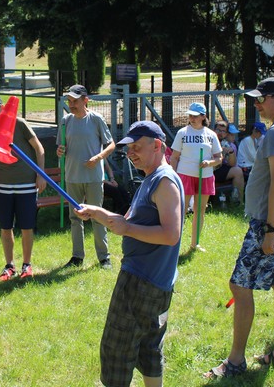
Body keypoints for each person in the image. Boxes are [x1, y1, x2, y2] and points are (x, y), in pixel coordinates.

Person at [205, 77, 274, 378]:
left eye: (261, 99)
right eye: (255, 99)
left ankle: (236, 362)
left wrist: (271, 230)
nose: (257, 104)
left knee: (240, 285)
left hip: (273, 223)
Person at [74, 121, 184, 387]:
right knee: (148, 347)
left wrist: (128, 229)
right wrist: (97, 212)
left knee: (116, 350)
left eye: (137, 147)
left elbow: (171, 234)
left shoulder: (164, 182)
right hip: (154, 281)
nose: (130, 153)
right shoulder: (151, 178)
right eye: (128, 148)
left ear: (157, 145)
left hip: (141, 282)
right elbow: (127, 222)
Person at [0, 93, 47, 280]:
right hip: (3, 187)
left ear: (2, 107)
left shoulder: (19, 123)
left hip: (27, 184)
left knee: (27, 227)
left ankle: (27, 265)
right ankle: (9, 266)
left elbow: (39, 148)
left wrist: (40, 174)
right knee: (5, 228)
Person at [56, 84, 116, 269]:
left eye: (75, 101)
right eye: (69, 101)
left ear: (85, 100)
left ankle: (104, 258)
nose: (71, 105)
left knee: (98, 217)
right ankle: (77, 257)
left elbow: (111, 144)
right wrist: (60, 151)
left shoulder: (96, 119)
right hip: (72, 176)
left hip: (93, 177)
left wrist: (98, 157)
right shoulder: (65, 121)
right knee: (75, 218)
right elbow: (61, 147)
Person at [169, 102, 222, 251]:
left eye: (195, 116)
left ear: (203, 116)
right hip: (185, 174)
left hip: (205, 176)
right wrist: (173, 176)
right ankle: (174, 243)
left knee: (200, 210)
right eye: (190, 115)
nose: (192, 118)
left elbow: (219, 158)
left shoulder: (211, 135)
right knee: (182, 210)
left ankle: (195, 243)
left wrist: (209, 163)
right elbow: (174, 157)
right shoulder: (182, 133)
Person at [213, 121, 246, 204]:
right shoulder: (208, 140)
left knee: (237, 171)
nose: (220, 133)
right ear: (214, 130)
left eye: (223, 131)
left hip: (218, 169)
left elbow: (232, 164)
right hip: (206, 168)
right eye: (218, 130)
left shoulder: (226, 144)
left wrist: (231, 152)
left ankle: (238, 201)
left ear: (226, 133)